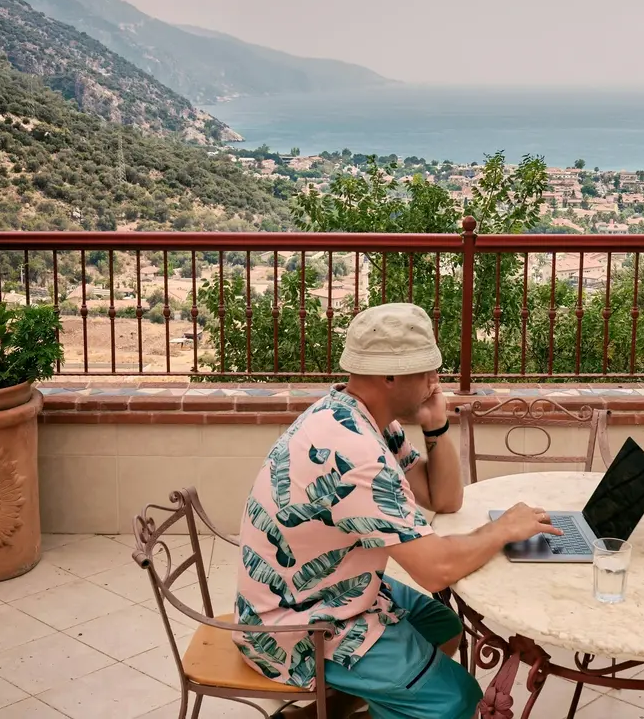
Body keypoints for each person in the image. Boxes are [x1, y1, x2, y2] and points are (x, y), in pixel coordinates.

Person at [233, 303, 562, 719]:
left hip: (335, 590)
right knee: (456, 698)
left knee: (444, 628)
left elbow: (444, 500)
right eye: (425, 371)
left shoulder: (361, 416)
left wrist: (434, 426)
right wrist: (501, 530)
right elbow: (435, 569)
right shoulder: (355, 454)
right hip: (298, 626)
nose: (434, 381)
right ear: (389, 375)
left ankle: (334, 710)